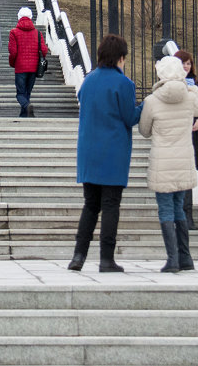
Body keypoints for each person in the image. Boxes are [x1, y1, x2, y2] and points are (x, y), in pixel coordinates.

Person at [69, 34, 141, 272]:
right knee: (110, 205)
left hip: (88, 152)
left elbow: (83, 101)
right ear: (121, 58)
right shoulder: (124, 84)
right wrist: (144, 107)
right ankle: (106, 259)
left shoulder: (89, 80)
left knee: (90, 205)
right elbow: (130, 117)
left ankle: (78, 256)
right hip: (113, 153)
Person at [138, 55, 198, 272]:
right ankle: (185, 258)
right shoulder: (189, 97)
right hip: (184, 159)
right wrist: (193, 89)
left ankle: (172, 260)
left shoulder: (152, 101)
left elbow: (144, 131)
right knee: (179, 209)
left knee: (166, 210)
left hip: (162, 160)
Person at [175, 49, 198, 229]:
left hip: (192, 134)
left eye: (188, 63)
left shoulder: (195, 84)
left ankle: (188, 217)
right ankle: (178, 216)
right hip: (178, 134)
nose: (186, 66)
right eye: (183, 63)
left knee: (188, 176)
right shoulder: (170, 84)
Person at [8, 7, 48, 117]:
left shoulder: (14, 32)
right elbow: (44, 50)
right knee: (27, 92)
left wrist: (12, 63)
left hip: (20, 67)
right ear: (31, 17)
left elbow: (13, 51)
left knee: (20, 94)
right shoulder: (38, 33)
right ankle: (24, 114)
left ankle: (26, 106)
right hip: (34, 67)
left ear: (18, 17)